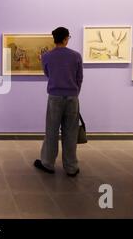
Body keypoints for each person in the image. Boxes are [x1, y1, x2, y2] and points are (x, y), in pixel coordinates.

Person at [34, 27, 83, 177]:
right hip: (72, 97)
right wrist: (74, 92)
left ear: (54, 39)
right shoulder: (76, 56)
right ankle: (71, 167)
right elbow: (79, 77)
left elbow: (47, 74)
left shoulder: (47, 56)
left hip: (54, 97)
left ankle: (48, 163)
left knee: (51, 131)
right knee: (71, 132)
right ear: (66, 38)